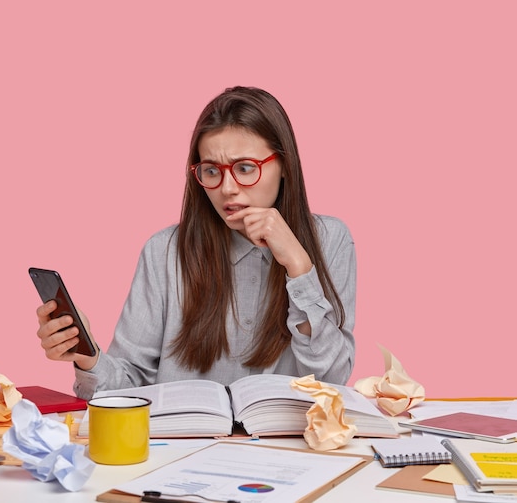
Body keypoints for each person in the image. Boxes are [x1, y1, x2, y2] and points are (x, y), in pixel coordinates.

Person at [36, 86, 356, 400]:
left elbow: (331, 382)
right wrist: (87, 354)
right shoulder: (165, 252)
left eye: (245, 168)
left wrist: (299, 269)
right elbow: (130, 390)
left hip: (286, 447)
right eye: (211, 171)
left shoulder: (329, 240)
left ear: (284, 164)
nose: (227, 188)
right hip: (180, 447)